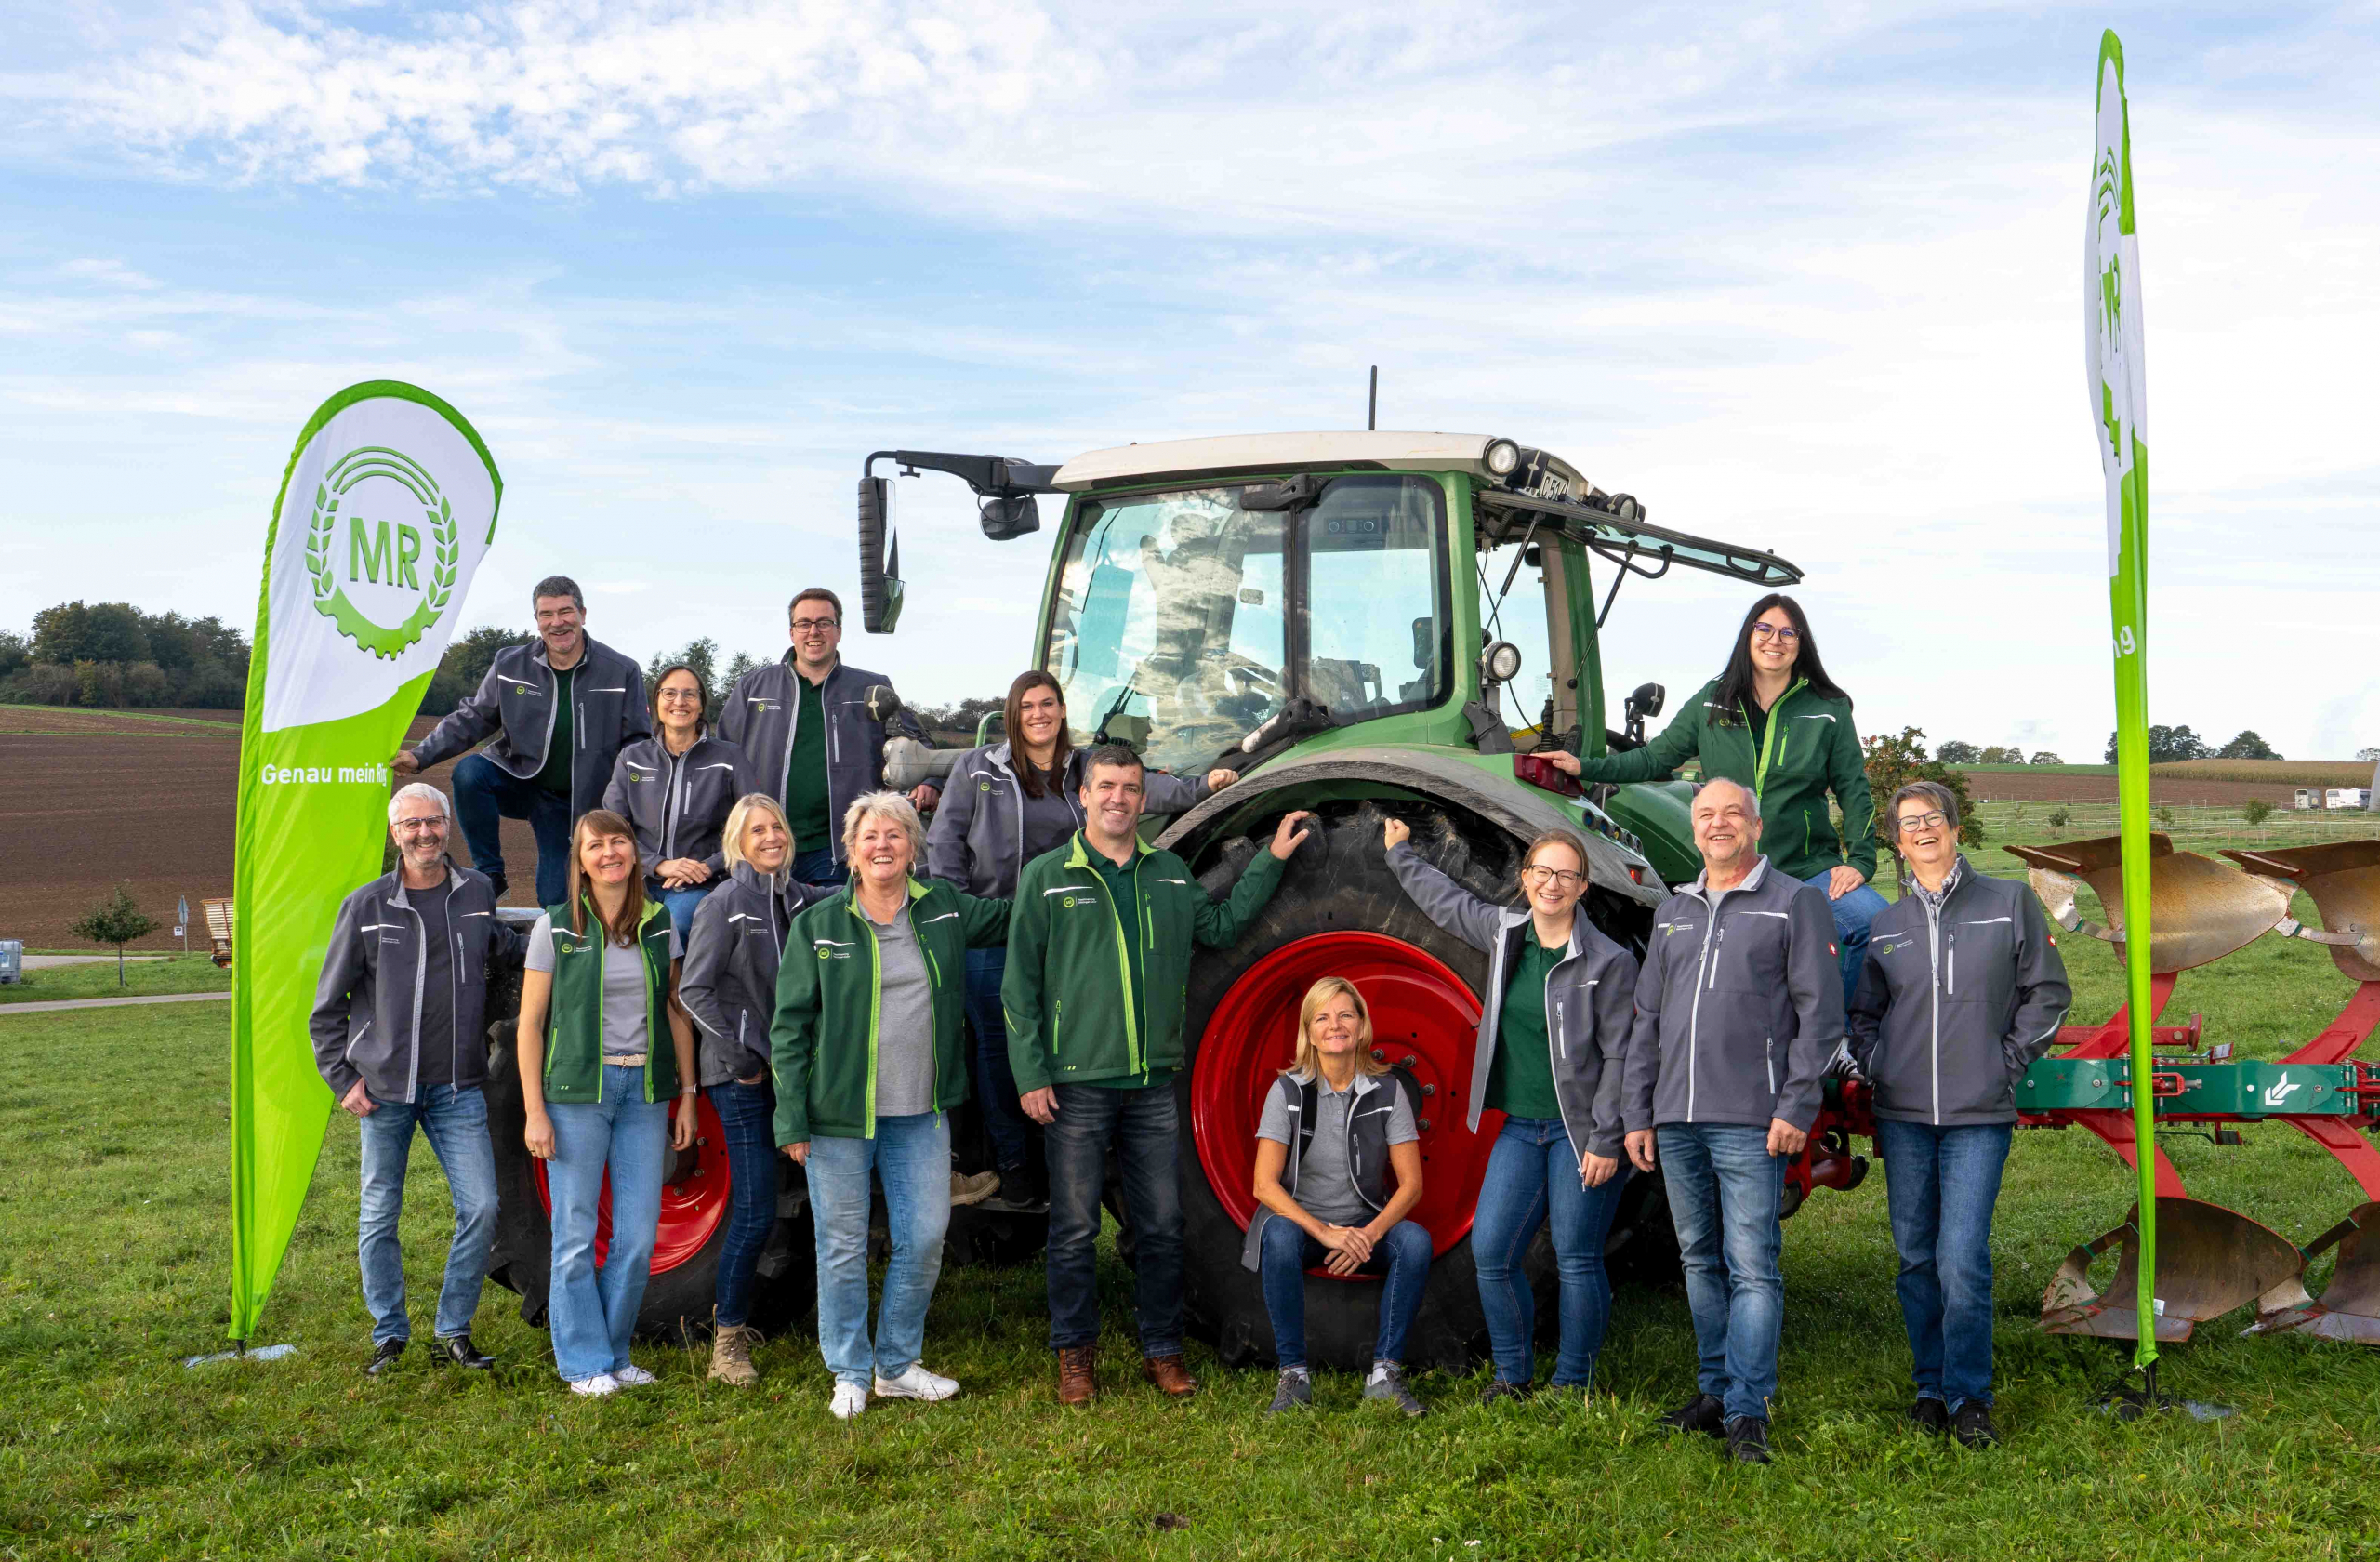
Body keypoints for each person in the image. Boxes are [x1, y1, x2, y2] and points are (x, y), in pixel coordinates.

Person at [1002, 743, 1315, 1405]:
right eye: (1106, 786)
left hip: (1150, 1086)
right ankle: (1075, 1356)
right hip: (1077, 1084)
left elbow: (1226, 927)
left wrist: (1273, 858)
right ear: (1082, 794)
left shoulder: (1169, 874)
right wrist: (1032, 1072)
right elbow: (1019, 987)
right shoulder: (1049, 877)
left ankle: (1163, 1351)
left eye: (1131, 788)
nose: (1118, 798)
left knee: (1163, 1225)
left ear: (1145, 800)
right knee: (1076, 1228)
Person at [925, 669, 1237, 1205]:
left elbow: (1142, 784)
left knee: (1063, 1040)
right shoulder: (977, 768)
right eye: (1027, 707)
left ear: (1062, 711)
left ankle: (1063, 1159)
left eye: (1048, 704)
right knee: (1002, 1050)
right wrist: (958, 911)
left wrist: (1197, 789)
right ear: (1012, 715)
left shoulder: (1084, 768)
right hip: (996, 922)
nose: (1038, 715)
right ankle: (1016, 1163)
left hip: (1067, 920)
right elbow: (946, 840)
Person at [1380, 814, 1641, 1403]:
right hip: (1522, 1128)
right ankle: (1513, 1375)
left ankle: (1574, 1381)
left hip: (1580, 1135)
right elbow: (1446, 902)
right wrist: (1400, 856)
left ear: (1583, 887)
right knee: (1492, 1251)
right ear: (1525, 878)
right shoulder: (1505, 932)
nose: (1553, 884)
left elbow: (1623, 1059)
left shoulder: (1608, 962)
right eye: (1542, 872)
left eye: (1566, 876)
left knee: (1576, 1257)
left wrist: (1605, 1140)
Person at [771, 793, 1012, 1419]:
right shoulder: (819, 925)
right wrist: (791, 1117)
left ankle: (898, 1366)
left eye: (896, 835)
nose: (883, 845)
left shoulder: (944, 910)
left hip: (919, 1111)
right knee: (844, 1243)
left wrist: (1074, 875)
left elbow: (1018, 917)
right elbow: (790, 1028)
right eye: (870, 836)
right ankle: (849, 1372)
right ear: (851, 852)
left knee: (925, 1236)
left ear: (913, 847)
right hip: (837, 1116)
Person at [1622, 778, 1844, 1464]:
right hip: (1678, 1118)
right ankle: (1714, 1391)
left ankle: (1748, 1408)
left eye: (1732, 815)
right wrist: (1639, 1110)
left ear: (1755, 826)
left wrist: (1797, 1104)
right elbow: (1647, 1020)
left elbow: (1821, 1017)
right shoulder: (1673, 911)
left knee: (1752, 1266)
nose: (1719, 825)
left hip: (1753, 1119)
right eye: (1706, 815)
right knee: (1698, 1259)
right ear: (1695, 830)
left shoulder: (1793, 904)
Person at [1847, 780, 2069, 1449]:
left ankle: (1970, 1397)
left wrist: (2005, 1064)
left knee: (1962, 1257)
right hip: (1905, 1115)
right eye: (1908, 822)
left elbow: (2048, 992)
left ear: (1954, 827)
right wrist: (1878, 1063)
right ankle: (1928, 1388)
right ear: (1895, 838)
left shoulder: (2008, 902)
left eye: (1932, 818)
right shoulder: (1887, 925)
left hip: (1979, 1114)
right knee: (1916, 1257)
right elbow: (1864, 1013)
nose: (1922, 830)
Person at [1553, 592, 1884, 1005]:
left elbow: (1855, 790)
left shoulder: (1828, 710)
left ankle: (1840, 1039)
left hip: (1806, 869)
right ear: (1748, 636)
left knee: (1871, 923)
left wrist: (1861, 862)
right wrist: (1585, 768)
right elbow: (1657, 757)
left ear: (1801, 642)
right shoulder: (1713, 699)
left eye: (1787, 632)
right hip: (1733, 871)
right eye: (1764, 629)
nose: (1774, 640)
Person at [308, 782, 514, 1374]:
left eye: (434, 822)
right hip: (385, 1090)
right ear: (395, 835)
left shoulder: (476, 892)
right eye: (411, 825)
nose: (425, 834)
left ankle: (453, 1330)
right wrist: (342, 1079)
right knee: (379, 1215)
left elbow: (498, 950)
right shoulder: (367, 906)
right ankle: (389, 1336)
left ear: (448, 826)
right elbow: (327, 1007)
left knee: (482, 1207)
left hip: (458, 1087)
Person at [514, 809, 698, 1397]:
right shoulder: (556, 927)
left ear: (633, 853)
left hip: (644, 1093)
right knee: (573, 1231)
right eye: (596, 845)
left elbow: (675, 1010)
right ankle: (583, 1363)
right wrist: (534, 1110)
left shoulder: (659, 921)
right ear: (581, 859)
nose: (609, 852)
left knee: (638, 1235)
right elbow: (530, 1026)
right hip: (574, 1097)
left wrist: (688, 1097)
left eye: (619, 841)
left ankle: (615, 1354)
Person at [676, 792, 839, 1386]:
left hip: (798, 1073)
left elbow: (857, 896)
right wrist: (740, 1055)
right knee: (755, 1209)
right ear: (738, 842)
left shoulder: (800, 899)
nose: (771, 837)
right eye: (757, 830)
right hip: (744, 1080)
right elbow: (694, 991)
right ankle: (727, 1340)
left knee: (824, 1198)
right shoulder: (726, 902)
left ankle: (829, 1321)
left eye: (777, 827)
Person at [398, 576, 650, 907]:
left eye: (565, 612)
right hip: (520, 781)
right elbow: (473, 717)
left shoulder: (621, 671)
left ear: (583, 614)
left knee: (556, 900)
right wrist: (421, 756)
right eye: (546, 614)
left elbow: (637, 745)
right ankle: (491, 874)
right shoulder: (510, 664)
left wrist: (622, 806)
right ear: (537, 621)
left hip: (574, 804)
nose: (557, 623)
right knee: (470, 773)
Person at [1247, 976, 1432, 1418]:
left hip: (1363, 1226)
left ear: (1362, 1026)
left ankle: (1385, 1375)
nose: (1336, 1025)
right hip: (1306, 1229)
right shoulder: (1287, 1091)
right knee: (1278, 1236)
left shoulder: (1387, 1091)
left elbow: (1412, 1185)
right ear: (1309, 1031)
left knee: (1415, 1242)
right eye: (1323, 1017)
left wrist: (1365, 1236)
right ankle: (1294, 1376)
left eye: (1346, 1014)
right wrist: (1326, 1233)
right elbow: (1263, 1185)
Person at [718, 587, 937, 884]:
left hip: (839, 849)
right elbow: (721, 757)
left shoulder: (871, 689)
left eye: (824, 623)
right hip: (766, 846)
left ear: (839, 631)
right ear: (792, 632)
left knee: (830, 930)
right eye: (804, 624)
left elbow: (917, 743)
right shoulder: (753, 688)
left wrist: (929, 780)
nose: (814, 632)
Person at [602, 663, 754, 946]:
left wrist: (708, 867)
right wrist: (659, 865)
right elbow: (612, 827)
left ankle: (677, 991)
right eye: (669, 693)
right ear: (656, 702)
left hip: (702, 883)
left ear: (701, 705)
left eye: (689, 694)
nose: (679, 702)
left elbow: (751, 828)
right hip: (637, 880)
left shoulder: (729, 758)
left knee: (675, 924)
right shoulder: (632, 758)